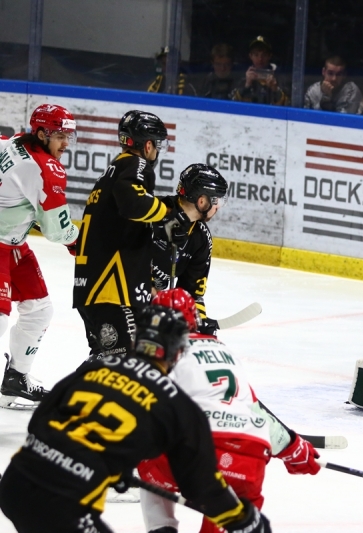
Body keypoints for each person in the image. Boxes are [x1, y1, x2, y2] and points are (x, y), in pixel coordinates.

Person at [0, 305, 270, 533]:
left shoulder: (94, 368)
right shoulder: (175, 404)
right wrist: (243, 518)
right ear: (178, 352)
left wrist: (105, 461)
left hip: (14, 483)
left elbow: (41, 419)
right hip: (64, 503)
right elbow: (199, 483)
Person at [138, 289, 320, 533]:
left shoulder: (160, 354)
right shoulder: (225, 351)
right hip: (249, 458)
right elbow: (256, 410)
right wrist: (294, 448)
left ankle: (162, 528)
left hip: (196, 457)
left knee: (146, 451)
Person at [73, 110, 193, 363]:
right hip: (110, 292)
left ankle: (71, 402)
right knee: (128, 363)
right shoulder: (135, 164)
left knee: (107, 360)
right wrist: (168, 212)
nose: (157, 152)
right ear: (147, 145)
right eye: (157, 145)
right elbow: (133, 204)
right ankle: (70, 401)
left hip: (96, 289)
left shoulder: (113, 171)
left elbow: (127, 216)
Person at [0, 104, 80, 408]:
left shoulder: (17, 141)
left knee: (39, 310)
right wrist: (80, 243)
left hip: (14, 244)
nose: (65, 143)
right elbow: (58, 231)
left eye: (68, 136)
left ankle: (16, 378)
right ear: (43, 133)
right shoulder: (45, 168)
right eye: (60, 135)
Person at [151, 164, 228, 334]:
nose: (218, 207)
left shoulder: (201, 239)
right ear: (202, 201)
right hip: (116, 296)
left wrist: (197, 319)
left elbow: (192, 292)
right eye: (217, 201)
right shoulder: (152, 212)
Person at [232, 36, 288, 106]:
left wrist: (275, 90)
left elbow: (288, 105)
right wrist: (247, 85)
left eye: (264, 55)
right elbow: (233, 103)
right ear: (250, 56)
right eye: (256, 55)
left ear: (269, 56)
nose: (260, 59)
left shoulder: (279, 76)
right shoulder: (243, 77)